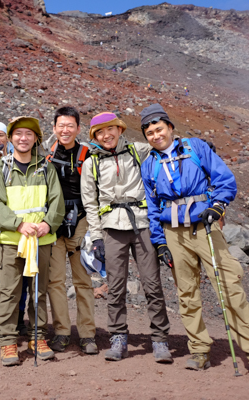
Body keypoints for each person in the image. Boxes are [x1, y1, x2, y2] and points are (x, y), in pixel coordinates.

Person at [140, 103, 249, 374]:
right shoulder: (149, 165)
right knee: (187, 294)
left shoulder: (196, 148)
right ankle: (199, 350)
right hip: (173, 234)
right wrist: (159, 242)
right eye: (149, 133)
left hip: (205, 228)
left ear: (170, 127)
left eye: (159, 129)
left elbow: (225, 180)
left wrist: (217, 206)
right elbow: (152, 206)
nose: (156, 135)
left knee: (230, 287)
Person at [80, 111, 171, 363]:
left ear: (120, 129)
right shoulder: (92, 163)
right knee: (116, 287)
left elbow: (165, 148)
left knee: (152, 284)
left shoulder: (138, 151)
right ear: (94, 136)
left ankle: (160, 339)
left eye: (110, 129)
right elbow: (90, 203)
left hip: (143, 225)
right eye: (99, 132)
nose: (105, 135)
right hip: (111, 228)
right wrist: (96, 237)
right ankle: (118, 337)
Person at [0, 116, 65, 366]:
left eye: (28, 134)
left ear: (36, 138)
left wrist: (47, 224)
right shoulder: (0, 168)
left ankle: (37, 336)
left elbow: (57, 203)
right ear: (10, 138)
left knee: (38, 291)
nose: (23, 138)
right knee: (9, 292)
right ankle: (8, 342)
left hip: (41, 241)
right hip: (12, 241)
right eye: (18, 134)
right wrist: (19, 225)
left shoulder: (46, 168)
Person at [45, 107, 97, 355]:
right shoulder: (45, 156)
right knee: (55, 281)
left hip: (82, 223)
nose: (65, 130)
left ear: (78, 128)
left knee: (83, 281)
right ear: (54, 128)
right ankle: (62, 332)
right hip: (53, 224)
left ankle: (87, 334)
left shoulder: (89, 155)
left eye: (70, 125)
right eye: (61, 125)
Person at [0, 121, 28, 338]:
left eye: (1, 135)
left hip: (16, 227)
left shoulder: (17, 159)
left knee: (21, 275)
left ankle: (18, 317)